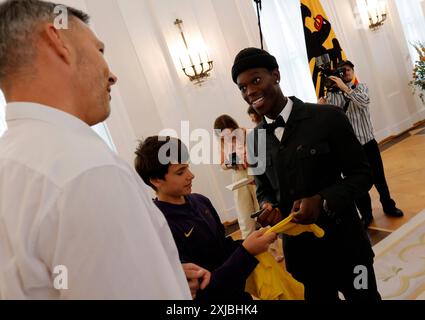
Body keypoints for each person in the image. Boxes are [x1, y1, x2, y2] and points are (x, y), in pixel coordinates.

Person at [0, 0, 205, 299]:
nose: (112, 76)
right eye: (99, 51)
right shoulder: (87, 170)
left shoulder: (11, 161)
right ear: (58, 41)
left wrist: (164, 275)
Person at [231, 47, 381, 300]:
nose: (250, 92)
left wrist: (323, 201)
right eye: (243, 88)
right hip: (303, 260)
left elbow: (363, 174)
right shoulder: (253, 141)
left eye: (256, 80)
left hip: (347, 247)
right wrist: (269, 207)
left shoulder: (327, 118)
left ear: (276, 75)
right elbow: (263, 189)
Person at [134, 136, 277, 300]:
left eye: (188, 167)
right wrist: (247, 252)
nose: (191, 175)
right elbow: (202, 289)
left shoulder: (201, 201)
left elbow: (222, 248)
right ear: (155, 180)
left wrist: (254, 240)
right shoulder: (160, 225)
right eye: (181, 172)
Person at [319, 60, 404, 227]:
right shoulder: (332, 95)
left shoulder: (362, 87)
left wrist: (346, 88)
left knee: (379, 177)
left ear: (353, 71)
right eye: (342, 71)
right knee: (356, 183)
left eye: (348, 70)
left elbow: (364, 102)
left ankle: (389, 206)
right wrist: (322, 104)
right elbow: (332, 118)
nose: (346, 73)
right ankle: (366, 215)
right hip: (349, 149)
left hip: (368, 142)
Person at [213, 115, 259, 239]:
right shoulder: (223, 143)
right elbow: (222, 164)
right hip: (238, 177)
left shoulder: (249, 134)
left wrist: (249, 158)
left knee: (262, 210)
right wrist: (231, 163)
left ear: (235, 127)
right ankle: (249, 248)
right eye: (223, 137)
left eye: (230, 134)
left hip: (255, 173)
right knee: (244, 216)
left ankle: (275, 247)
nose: (228, 138)